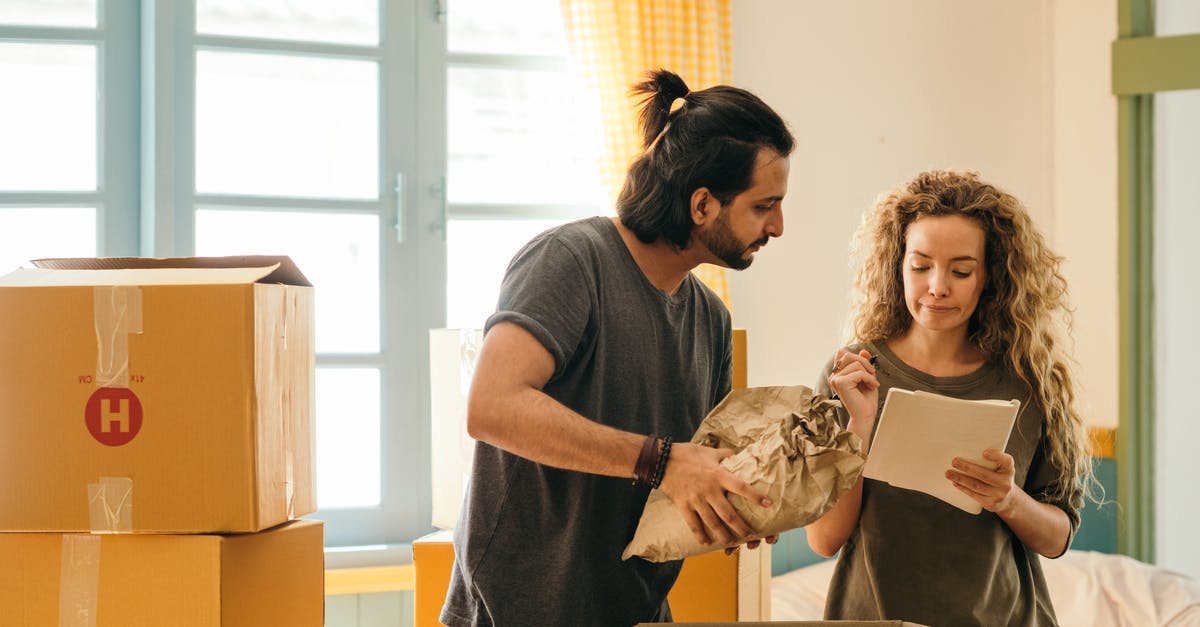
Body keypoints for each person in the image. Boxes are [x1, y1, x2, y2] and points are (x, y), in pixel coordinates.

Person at [440, 69, 796, 627]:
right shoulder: (571, 260)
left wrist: (739, 502)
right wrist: (662, 460)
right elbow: (492, 407)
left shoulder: (711, 319)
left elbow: (689, 473)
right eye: (763, 205)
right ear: (702, 204)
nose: (778, 226)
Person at [806, 170, 1096, 625]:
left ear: (990, 277)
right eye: (920, 266)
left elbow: (1059, 538)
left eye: (960, 270)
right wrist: (858, 428)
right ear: (897, 266)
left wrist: (1008, 500)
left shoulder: (1029, 381)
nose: (937, 286)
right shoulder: (851, 373)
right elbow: (824, 540)